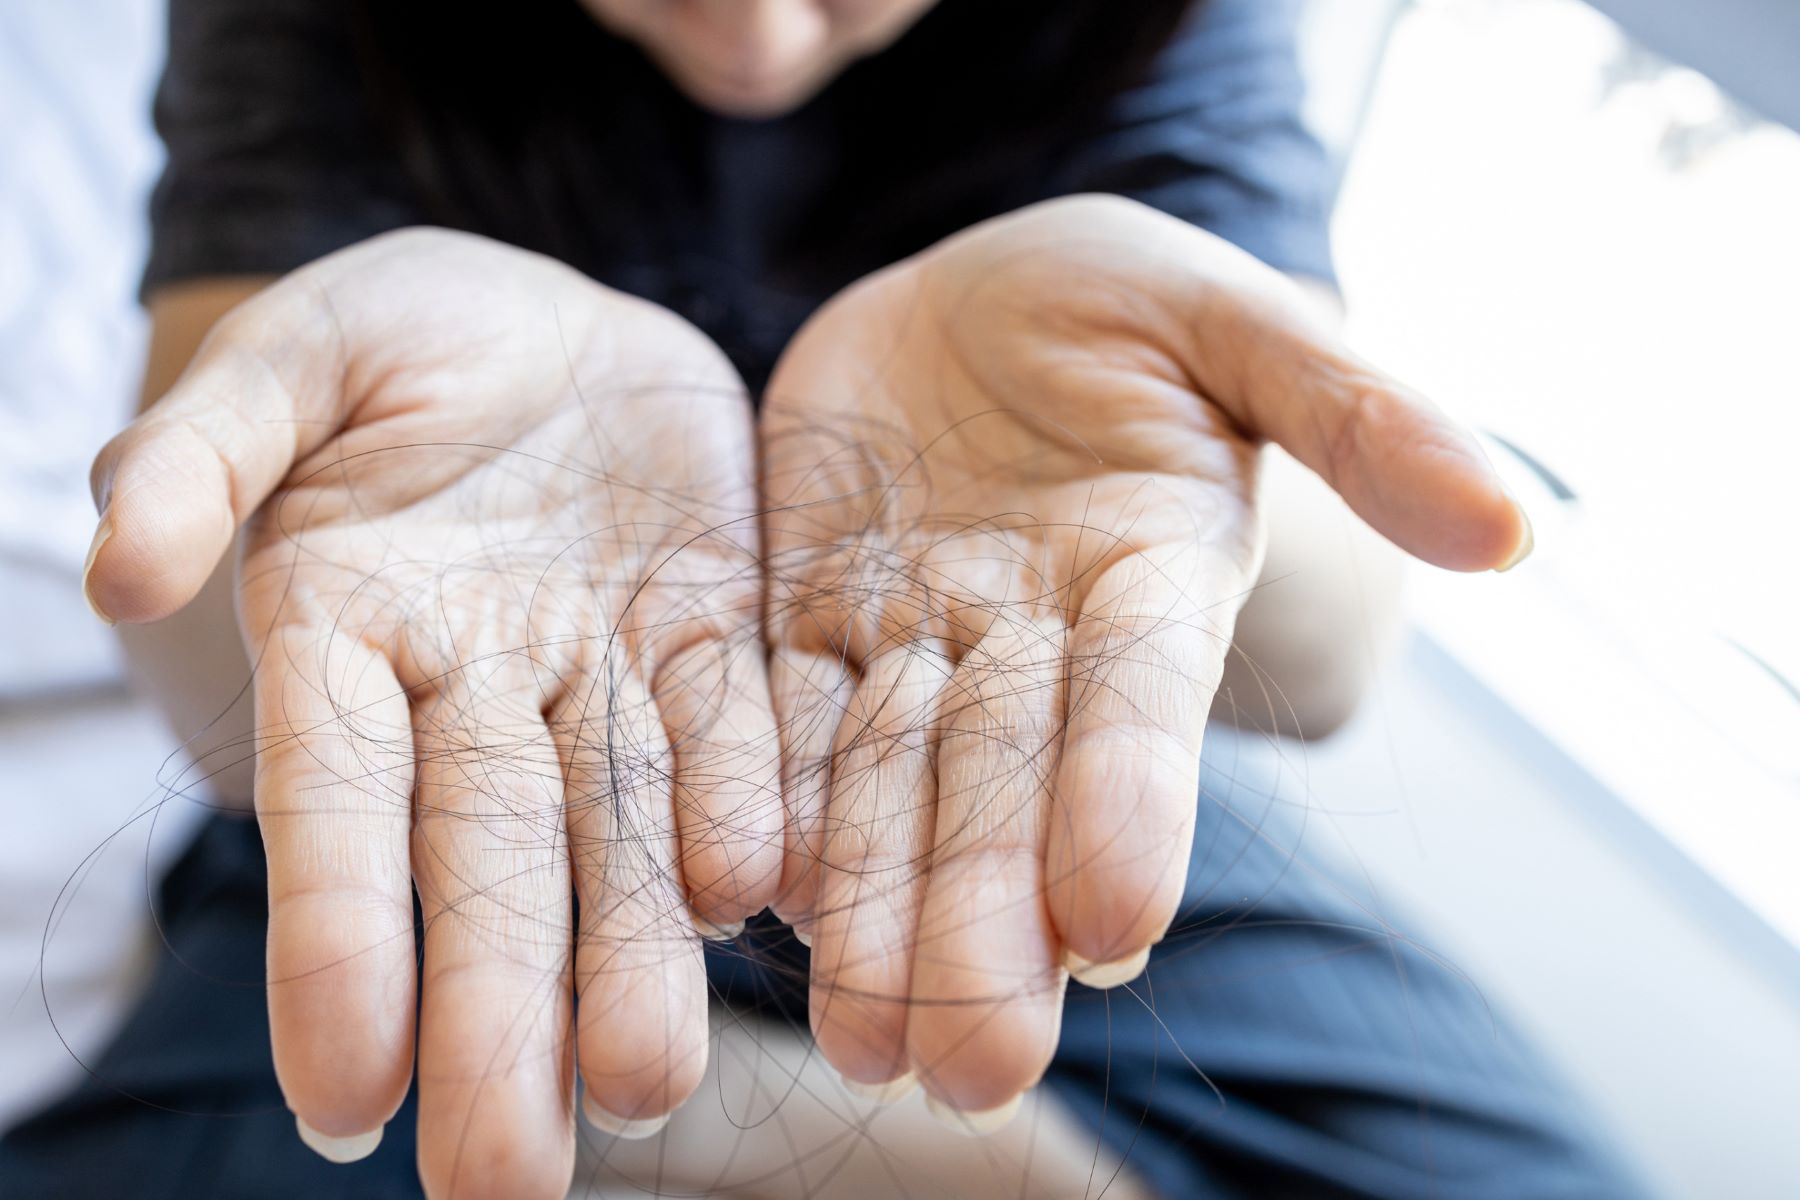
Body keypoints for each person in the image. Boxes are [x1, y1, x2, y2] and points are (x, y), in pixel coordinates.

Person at [2, 1, 1642, 1197]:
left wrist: (1206, 444)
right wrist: (309, 473)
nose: (758, 36)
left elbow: (1331, 672)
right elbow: (229, 722)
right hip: (463, 757)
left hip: (1026, 733)